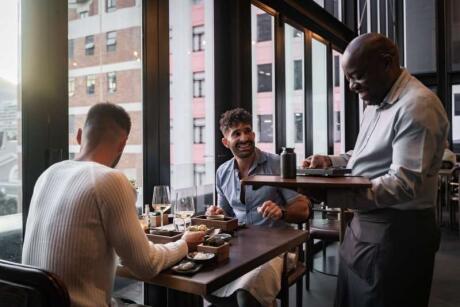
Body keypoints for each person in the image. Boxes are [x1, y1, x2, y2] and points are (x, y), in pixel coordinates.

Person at [303, 33, 449, 307]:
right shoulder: (376, 102)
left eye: (357, 76)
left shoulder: (418, 105)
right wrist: (331, 161)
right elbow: (362, 156)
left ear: (387, 62)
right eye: (348, 78)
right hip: (364, 228)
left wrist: (330, 196)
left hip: (398, 234)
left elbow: (402, 184)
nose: (351, 86)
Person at [22, 103, 204, 307]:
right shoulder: (110, 179)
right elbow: (145, 265)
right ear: (122, 145)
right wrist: (185, 243)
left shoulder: (48, 174)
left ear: (79, 136)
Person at [206, 108, 311, 307]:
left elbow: (303, 209)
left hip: (278, 249)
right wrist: (217, 215)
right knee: (210, 287)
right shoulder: (222, 172)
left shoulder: (277, 164)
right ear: (225, 142)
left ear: (254, 134)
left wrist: (282, 212)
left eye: (248, 131)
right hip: (240, 248)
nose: (244, 138)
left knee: (247, 294)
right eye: (236, 134)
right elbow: (226, 217)